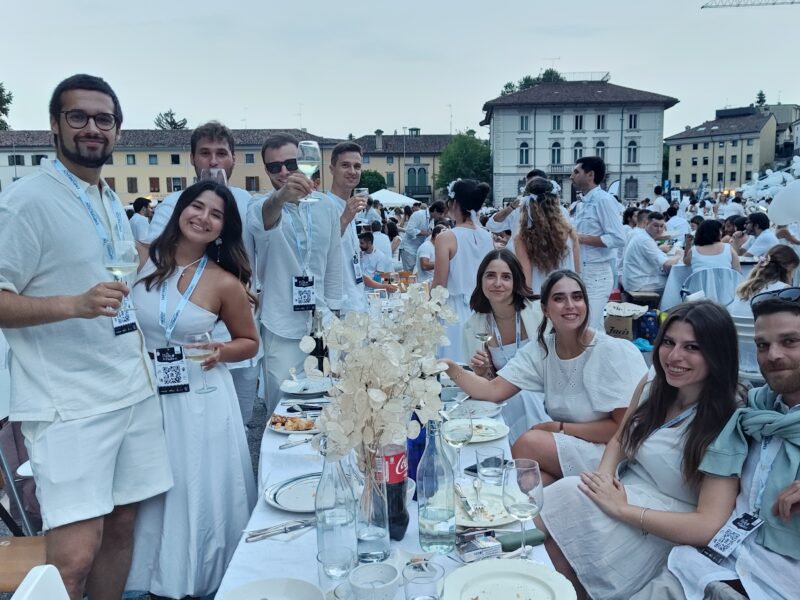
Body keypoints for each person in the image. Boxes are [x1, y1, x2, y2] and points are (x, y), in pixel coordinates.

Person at [0, 73, 173, 599]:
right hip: (69, 404)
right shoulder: (26, 201)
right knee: (73, 559)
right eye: (78, 117)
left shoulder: (105, 195)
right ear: (55, 125)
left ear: (118, 130)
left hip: (130, 389)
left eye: (104, 119)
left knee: (122, 529)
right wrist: (71, 305)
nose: (92, 128)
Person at [536, 301, 740, 600]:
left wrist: (623, 509)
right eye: (668, 342)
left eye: (692, 347)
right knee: (562, 506)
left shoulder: (725, 420)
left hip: (664, 523)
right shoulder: (655, 383)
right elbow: (620, 438)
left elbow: (707, 525)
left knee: (565, 501)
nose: (674, 356)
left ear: (717, 354)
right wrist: (604, 477)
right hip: (627, 489)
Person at [126, 181, 258, 598]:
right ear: (180, 210)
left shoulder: (224, 282)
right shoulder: (139, 258)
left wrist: (222, 349)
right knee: (151, 486)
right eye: (196, 207)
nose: (203, 217)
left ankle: (199, 575)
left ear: (223, 228)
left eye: (215, 214)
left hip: (200, 395)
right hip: (145, 389)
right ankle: (146, 573)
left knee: (195, 486)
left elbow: (248, 341)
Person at [636, 291, 800, 600]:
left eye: (790, 341)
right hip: (711, 565)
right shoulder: (750, 412)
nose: (773, 355)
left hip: (779, 584)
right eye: (763, 345)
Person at [443, 270, 647, 480]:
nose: (570, 305)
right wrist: (449, 368)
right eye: (559, 298)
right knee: (528, 482)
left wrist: (558, 428)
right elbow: (493, 390)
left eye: (577, 297)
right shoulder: (542, 350)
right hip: (576, 447)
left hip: (614, 453)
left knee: (529, 444)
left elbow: (623, 430)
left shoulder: (612, 352)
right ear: (545, 309)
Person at [146, 121, 261, 424]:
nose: (213, 162)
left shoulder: (250, 203)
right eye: (205, 153)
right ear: (192, 158)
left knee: (235, 423)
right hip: (177, 335)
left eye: (221, 153)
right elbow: (156, 263)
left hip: (233, 332)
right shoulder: (171, 205)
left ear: (233, 159)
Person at [248, 132, 343, 415]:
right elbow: (266, 218)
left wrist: (336, 314)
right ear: (266, 171)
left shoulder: (326, 206)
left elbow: (333, 261)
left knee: (329, 402)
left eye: (290, 163)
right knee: (282, 406)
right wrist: (280, 197)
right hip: (281, 324)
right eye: (274, 167)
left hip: (323, 322)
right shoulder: (260, 206)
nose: (284, 172)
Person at [459, 250, 549, 443]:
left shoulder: (539, 313)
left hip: (545, 395)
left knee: (523, 398)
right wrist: (482, 372)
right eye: (490, 276)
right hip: (503, 400)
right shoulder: (472, 326)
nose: (498, 283)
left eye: (506, 277)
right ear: (481, 280)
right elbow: (486, 384)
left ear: (516, 281)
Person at [433, 179, 494, 363]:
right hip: (483, 311)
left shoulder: (446, 237)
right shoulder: (488, 236)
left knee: (454, 369)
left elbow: (439, 286)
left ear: (455, 203)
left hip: (454, 312)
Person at [571, 156, 627, 329]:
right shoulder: (581, 203)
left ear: (590, 175)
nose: (571, 176)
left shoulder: (603, 200)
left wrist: (577, 237)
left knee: (589, 326)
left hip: (597, 273)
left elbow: (618, 238)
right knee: (590, 326)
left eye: (576, 172)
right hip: (582, 271)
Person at [513, 176, 580, 295]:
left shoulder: (523, 237)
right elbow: (577, 272)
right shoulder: (570, 232)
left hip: (540, 301)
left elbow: (526, 283)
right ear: (555, 202)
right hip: (566, 297)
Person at [326, 141, 368, 315]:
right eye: (345, 165)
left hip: (358, 305)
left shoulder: (351, 207)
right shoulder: (323, 206)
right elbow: (318, 253)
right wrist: (343, 219)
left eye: (357, 166)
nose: (352, 171)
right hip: (338, 311)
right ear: (331, 168)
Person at [622, 211, 682, 294]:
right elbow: (667, 264)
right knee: (677, 283)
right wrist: (679, 255)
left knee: (672, 278)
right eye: (655, 225)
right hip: (638, 282)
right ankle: (667, 306)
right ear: (646, 224)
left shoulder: (642, 235)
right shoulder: (645, 239)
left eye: (661, 226)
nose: (659, 229)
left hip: (634, 278)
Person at [486, 168, 547, 235]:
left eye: (535, 185)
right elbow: (491, 226)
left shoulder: (556, 210)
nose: (532, 189)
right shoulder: (517, 209)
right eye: (529, 186)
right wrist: (511, 208)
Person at [399, 200, 446, 270]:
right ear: (435, 210)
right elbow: (409, 230)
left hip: (418, 250)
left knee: (416, 274)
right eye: (441, 213)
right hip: (408, 249)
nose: (442, 216)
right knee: (410, 275)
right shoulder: (419, 214)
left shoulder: (432, 219)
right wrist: (427, 233)